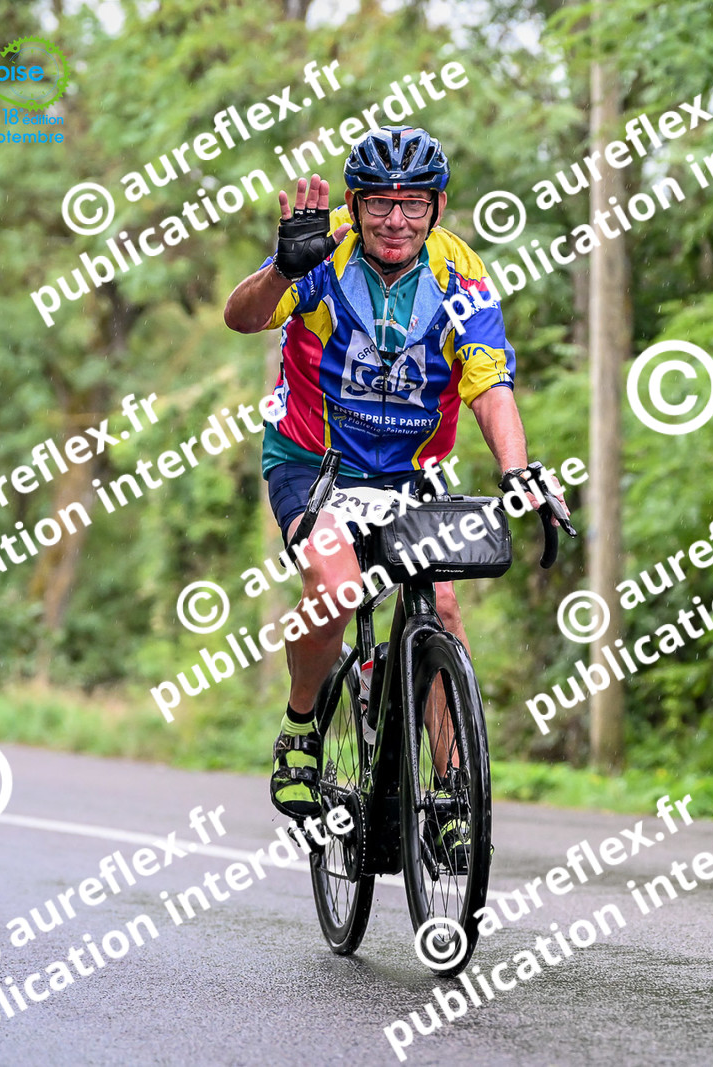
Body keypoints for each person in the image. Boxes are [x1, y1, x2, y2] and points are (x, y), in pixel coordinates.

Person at [223, 126, 567, 853]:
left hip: (413, 473)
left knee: (443, 607)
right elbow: (244, 317)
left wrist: (517, 470)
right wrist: (282, 270)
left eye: (413, 204)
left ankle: (450, 791)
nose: (396, 220)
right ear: (355, 204)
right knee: (339, 590)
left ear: (437, 207)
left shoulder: (459, 275)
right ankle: (300, 724)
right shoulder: (321, 251)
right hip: (315, 463)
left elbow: (490, 384)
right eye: (380, 203)